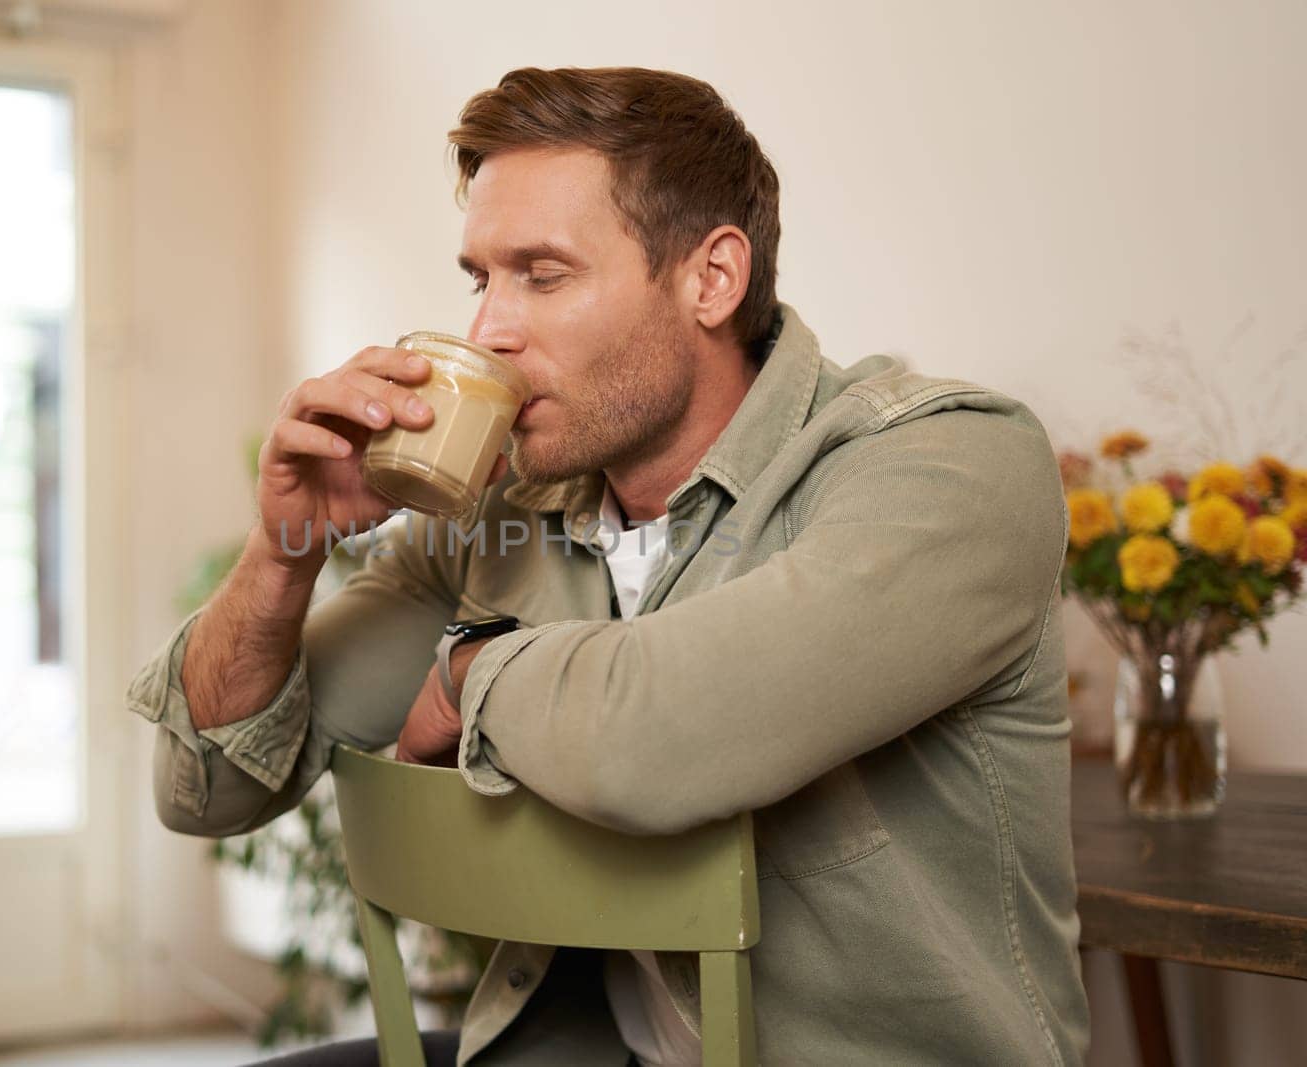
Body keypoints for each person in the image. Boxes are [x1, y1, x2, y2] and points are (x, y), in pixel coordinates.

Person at [128, 66, 1090, 1066]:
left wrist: (468, 670)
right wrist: (288, 545)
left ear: (711, 279)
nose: (487, 330)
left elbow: (659, 742)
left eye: (541, 274)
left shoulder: (951, 466)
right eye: (480, 278)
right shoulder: (501, 514)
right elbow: (205, 791)